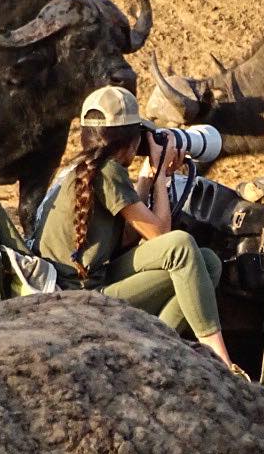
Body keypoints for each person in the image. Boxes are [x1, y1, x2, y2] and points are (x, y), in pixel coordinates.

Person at [36, 85, 239, 370]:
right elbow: (162, 236)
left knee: (208, 263)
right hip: (84, 299)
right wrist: (160, 178)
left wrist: (146, 180)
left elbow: (129, 238)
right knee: (182, 246)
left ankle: (158, 348)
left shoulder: (88, 168)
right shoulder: (107, 172)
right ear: (130, 142)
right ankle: (221, 359)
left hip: (91, 281)